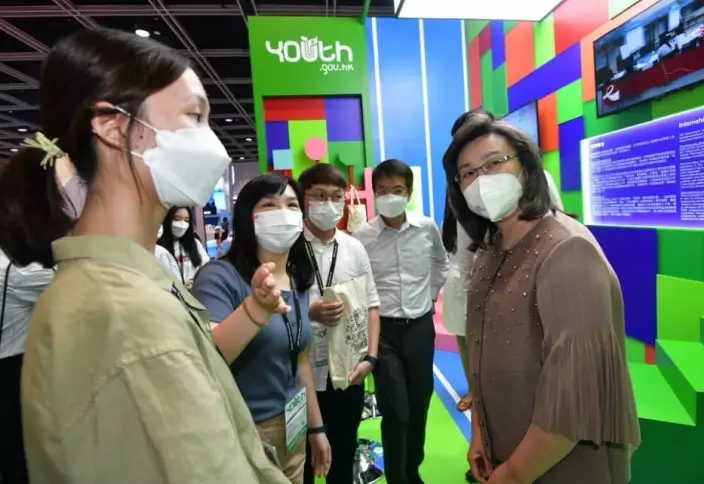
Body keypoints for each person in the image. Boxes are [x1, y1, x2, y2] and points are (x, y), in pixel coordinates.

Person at [0, 27, 293, 484]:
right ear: (114, 126)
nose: (212, 142)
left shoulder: (130, 282)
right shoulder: (123, 312)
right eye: (194, 116)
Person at [443, 112, 640, 483]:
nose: (481, 180)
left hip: (566, 466)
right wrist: (480, 433)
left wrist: (514, 474)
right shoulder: (489, 249)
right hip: (508, 450)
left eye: (494, 163)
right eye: (467, 173)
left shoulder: (568, 250)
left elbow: (574, 399)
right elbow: (482, 353)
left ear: (527, 167)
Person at [191, 173, 331, 484]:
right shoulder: (220, 277)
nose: (283, 213)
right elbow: (208, 356)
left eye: (292, 205)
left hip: (292, 425)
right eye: (269, 204)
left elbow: (300, 360)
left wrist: (316, 427)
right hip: (243, 431)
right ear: (248, 217)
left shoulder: (297, 279)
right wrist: (255, 309)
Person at [352, 159, 449, 484]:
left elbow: (441, 263)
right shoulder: (362, 236)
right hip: (383, 332)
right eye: (382, 190)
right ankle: (397, 477)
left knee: (420, 402)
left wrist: (431, 296)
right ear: (374, 193)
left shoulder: (426, 228)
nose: (390, 196)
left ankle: (412, 469)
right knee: (396, 409)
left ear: (408, 192)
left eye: (397, 190)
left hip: (420, 327)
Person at [297, 164, 381, 484]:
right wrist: (309, 313)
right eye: (319, 196)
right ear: (303, 199)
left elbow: (371, 303)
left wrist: (371, 357)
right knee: (302, 464)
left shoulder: (353, 247)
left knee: (343, 457)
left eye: (336, 196)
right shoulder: (289, 247)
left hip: (346, 372)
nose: (329, 204)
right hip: (301, 375)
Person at [158, 205, 210, 288]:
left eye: (186, 220)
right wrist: (179, 288)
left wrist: (196, 282)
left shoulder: (195, 243)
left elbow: (206, 267)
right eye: (177, 219)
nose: (182, 224)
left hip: (196, 291)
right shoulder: (159, 248)